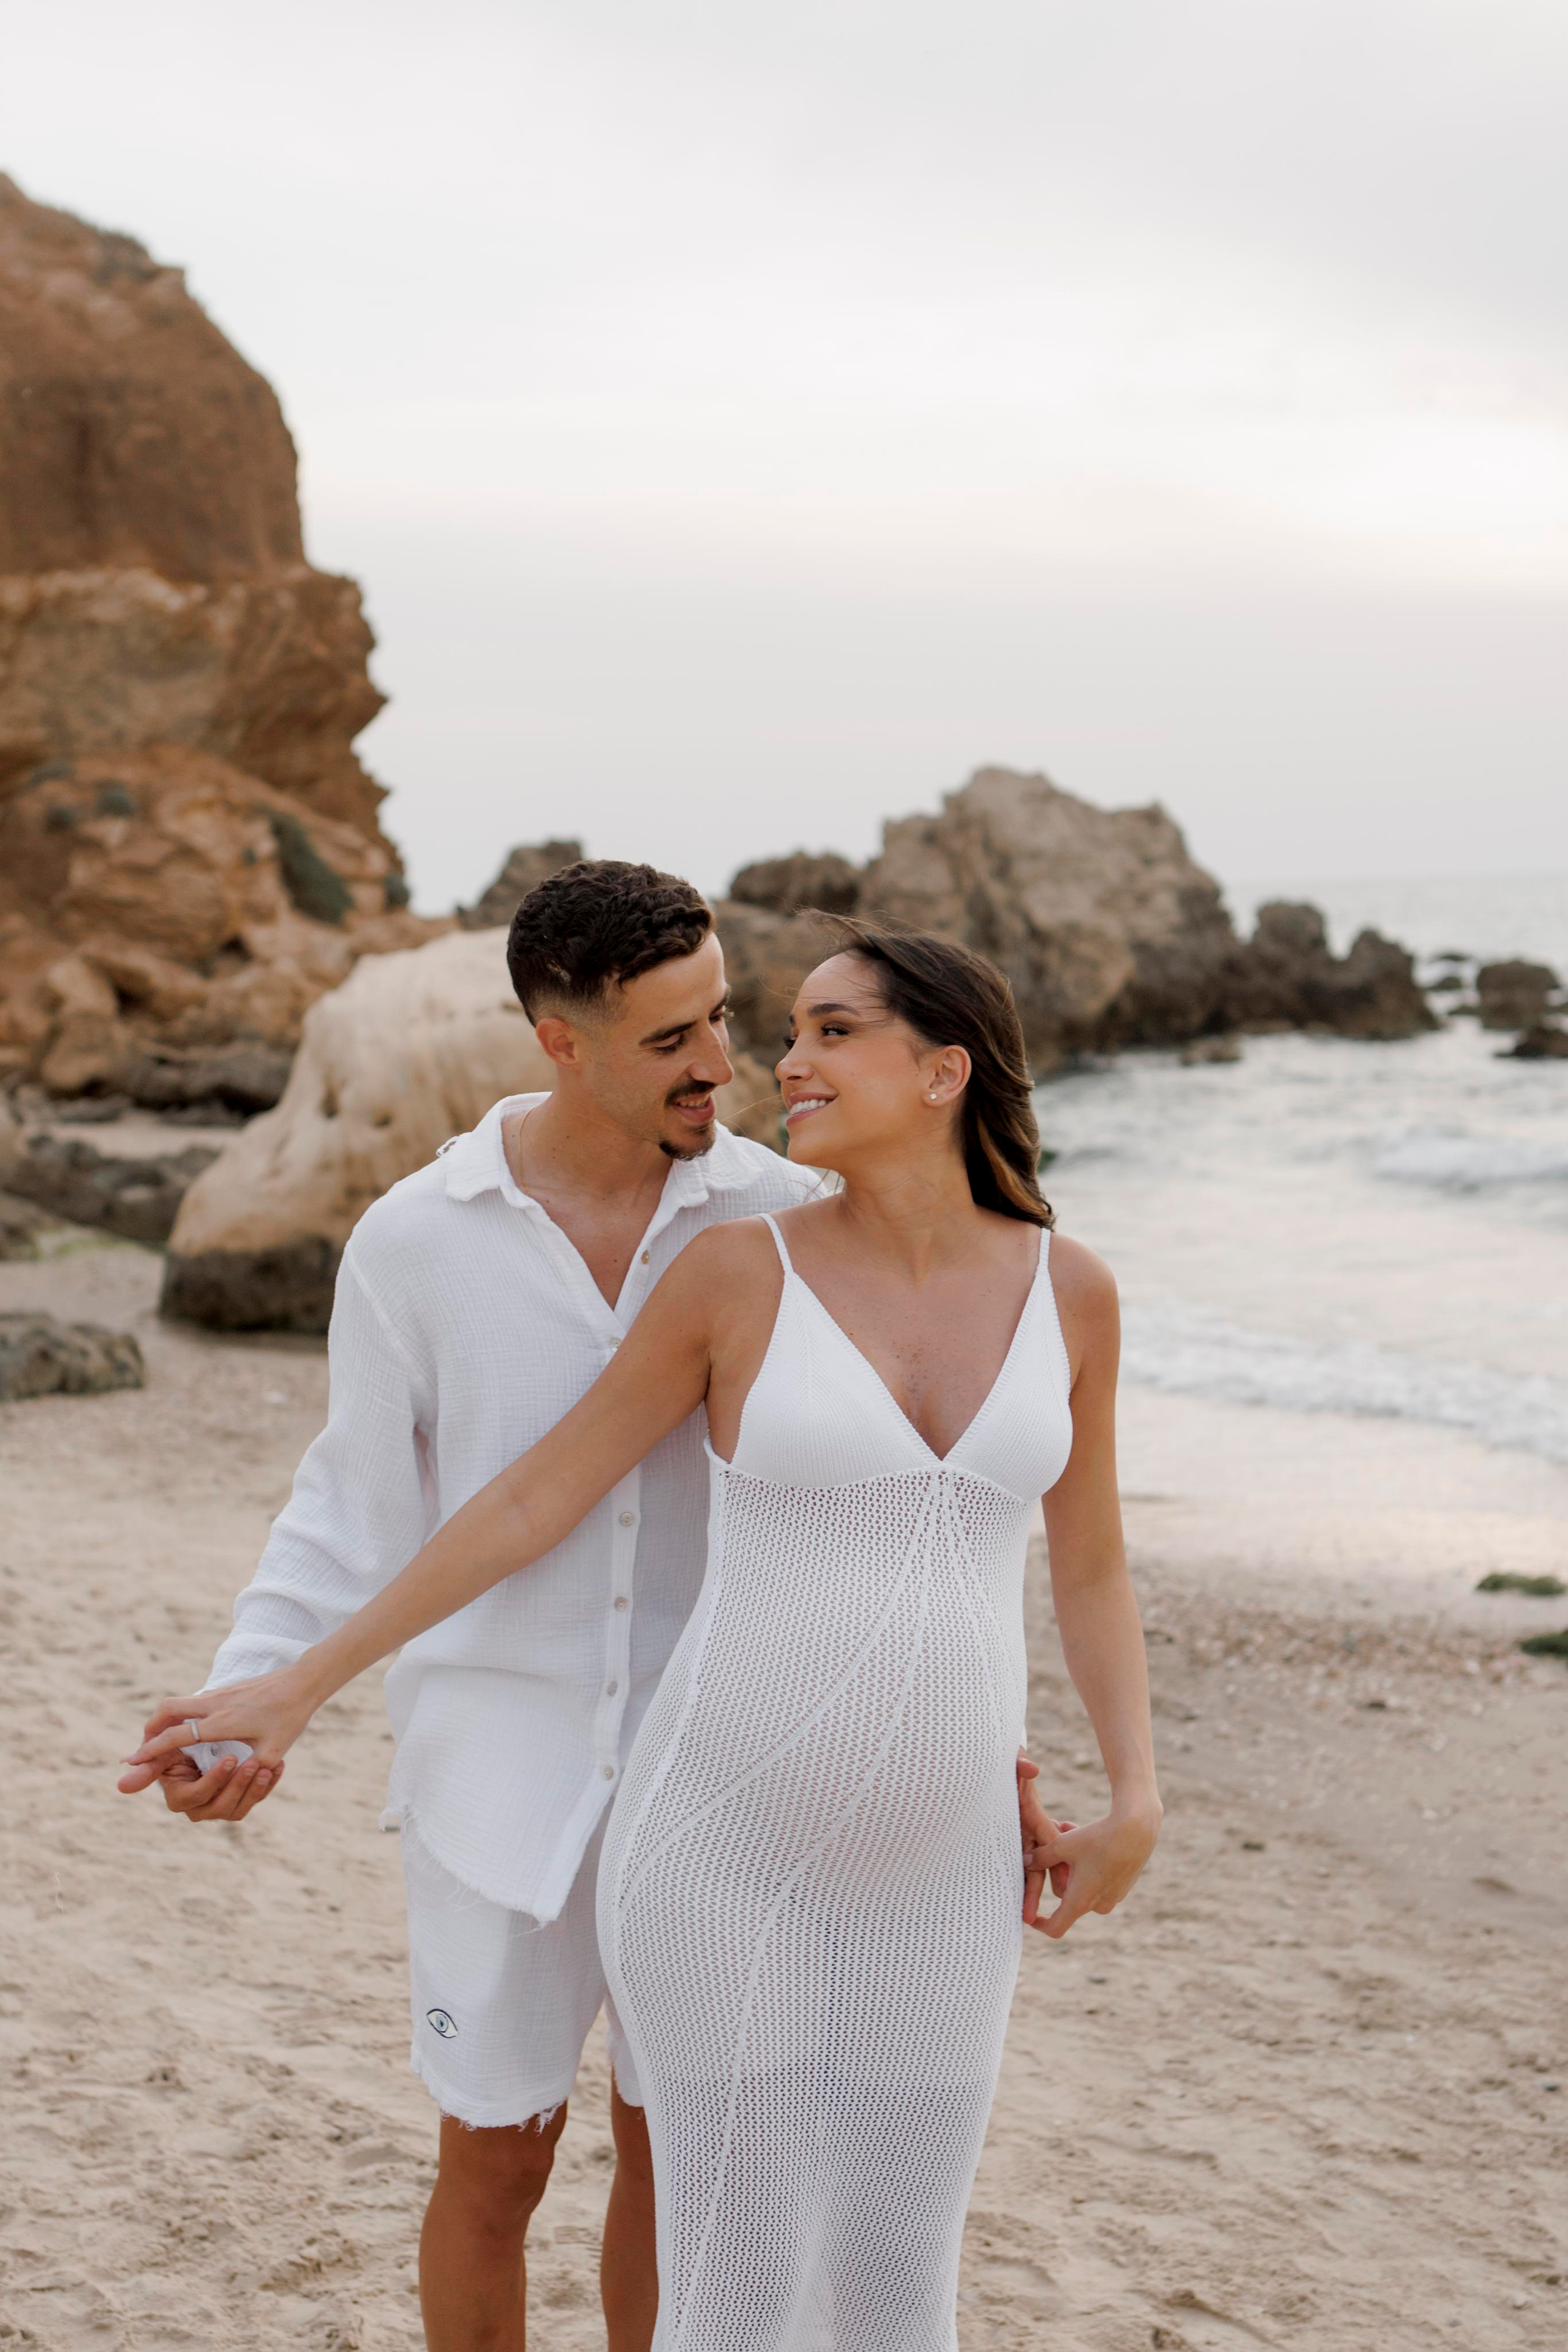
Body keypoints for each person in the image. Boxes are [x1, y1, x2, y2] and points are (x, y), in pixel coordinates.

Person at [126, 921, 1162, 2352]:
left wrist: (1136, 1796)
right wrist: (294, 1681)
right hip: (709, 1830)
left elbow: (1092, 1563)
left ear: (944, 1071)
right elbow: (526, 1498)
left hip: (948, 1866)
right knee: (718, 2272)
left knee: (898, 2277)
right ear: (565, 1043)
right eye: (761, 1031)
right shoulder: (736, 1269)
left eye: (818, 1031)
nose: (772, 1064)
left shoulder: (1072, 1290)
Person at [118, 860, 826, 2352]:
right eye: (668, 1040)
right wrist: (255, 1695)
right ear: (556, 1043)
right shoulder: (415, 1241)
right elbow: (350, 1503)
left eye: (722, 1017)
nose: (718, 1065)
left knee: (675, 2152)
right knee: (498, 2159)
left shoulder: (783, 1216)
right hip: (494, 1774)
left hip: (716, 1770)